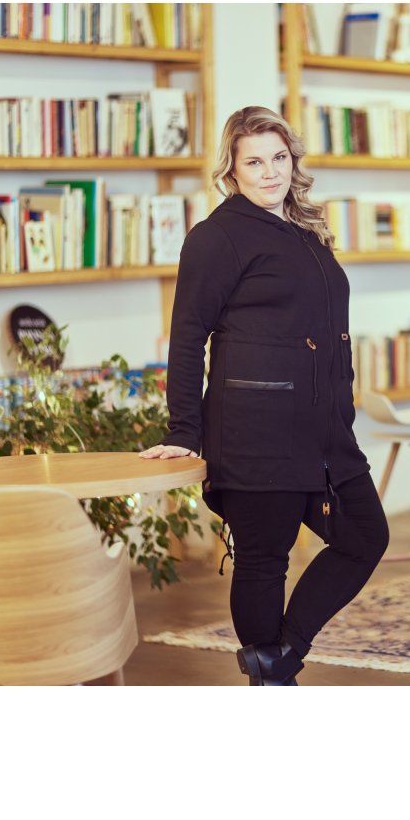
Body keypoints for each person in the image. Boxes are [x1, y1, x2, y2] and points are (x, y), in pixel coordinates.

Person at [140, 106, 389, 685]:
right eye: (254, 162)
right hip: (254, 429)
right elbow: (187, 337)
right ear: (232, 170)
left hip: (323, 432)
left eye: (279, 158)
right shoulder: (216, 238)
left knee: (364, 537)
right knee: (263, 560)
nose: (270, 172)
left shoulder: (305, 231)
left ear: (293, 161)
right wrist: (184, 431)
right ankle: (271, 679)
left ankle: (278, 656)